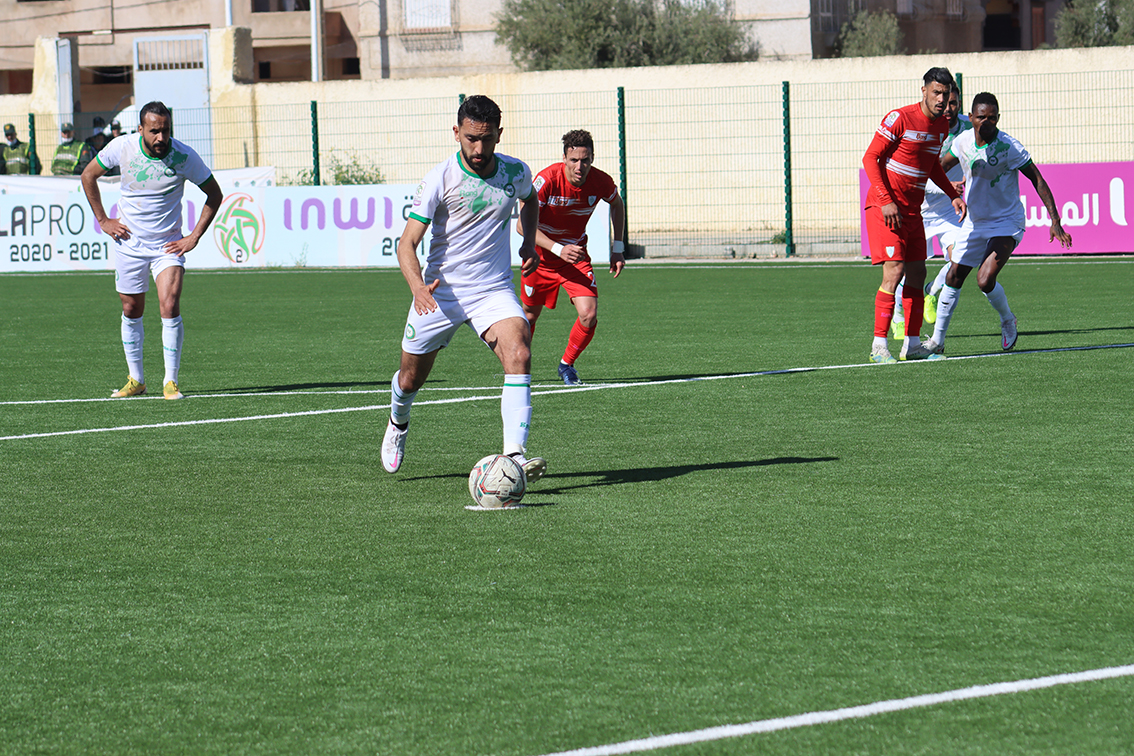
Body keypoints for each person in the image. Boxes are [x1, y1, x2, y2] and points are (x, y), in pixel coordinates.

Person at [381, 95, 547, 483]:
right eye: (471, 138)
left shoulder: (515, 172)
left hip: (492, 290)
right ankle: (398, 421)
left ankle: (514, 457)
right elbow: (407, 244)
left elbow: (531, 199)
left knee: (519, 351)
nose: (478, 148)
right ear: (456, 133)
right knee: (409, 379)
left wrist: (528, 242)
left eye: (487, 139)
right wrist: (418, 288)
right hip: (440, 294)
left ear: (498, 136)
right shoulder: (440, 178)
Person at [81, 101, 224, 400]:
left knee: (169, 304)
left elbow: (214, 193)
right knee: (131, 308)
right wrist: (103, 220)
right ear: (141, 129)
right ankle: (136, 380)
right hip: (129, 243)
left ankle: (170, 382)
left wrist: (193, 237)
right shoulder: (122, 147)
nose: (161, 138)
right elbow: (88, 175)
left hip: (167, 245)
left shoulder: (184, 155)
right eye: (155, 131)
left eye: (166, 131)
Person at [926, 92, 1073, 353]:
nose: (987, 122)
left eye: (992, 118)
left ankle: (1008, 320)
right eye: (981, 117)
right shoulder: (962, 142)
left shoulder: (1010, 147)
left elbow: (1036, 178)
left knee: (984, 280)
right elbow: (938, 168)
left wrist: (1055, 220)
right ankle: (937, 342)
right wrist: (943, 188)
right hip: (974, 222)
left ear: (998, 118)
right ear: (971, 118)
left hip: (1006, 222)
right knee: (953, 276)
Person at [862, 67, 966, 363]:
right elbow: (871, 157)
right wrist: (885, 200)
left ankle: (912, 344)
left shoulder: (942, 128)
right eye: (936, 93)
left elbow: (932, 165)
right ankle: (879, 346)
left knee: (918, 274)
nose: (941, 100)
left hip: (912, 211)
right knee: (894, 271)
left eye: (945, 95)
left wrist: (953, 195)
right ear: (924, 91)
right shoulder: (900, 118)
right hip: (886, 208)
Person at [515, 129, 626, 385]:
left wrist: (617, 247)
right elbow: (522, 225)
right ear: (564, 158)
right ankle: (517, 365)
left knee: (589, 314)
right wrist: (557, 249)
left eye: (585, 160)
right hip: (540, 258)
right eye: (574, 160)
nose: (580, 166)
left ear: (592, 158)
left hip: (575, 257)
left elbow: (617, 204)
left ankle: (567, 365)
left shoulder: (600, 181)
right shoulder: (547, 179)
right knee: (529, 316)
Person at [890, 83, 971, 338]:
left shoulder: (969, 128)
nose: (948, 108)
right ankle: (898, 317)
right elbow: (917, 175)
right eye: (944, 102)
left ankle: (931, 293)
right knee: (906, 271)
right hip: (919, 208)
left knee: (960, 258)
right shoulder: (923, 128)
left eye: (953, 103)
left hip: (948, 210)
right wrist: (948, 188)